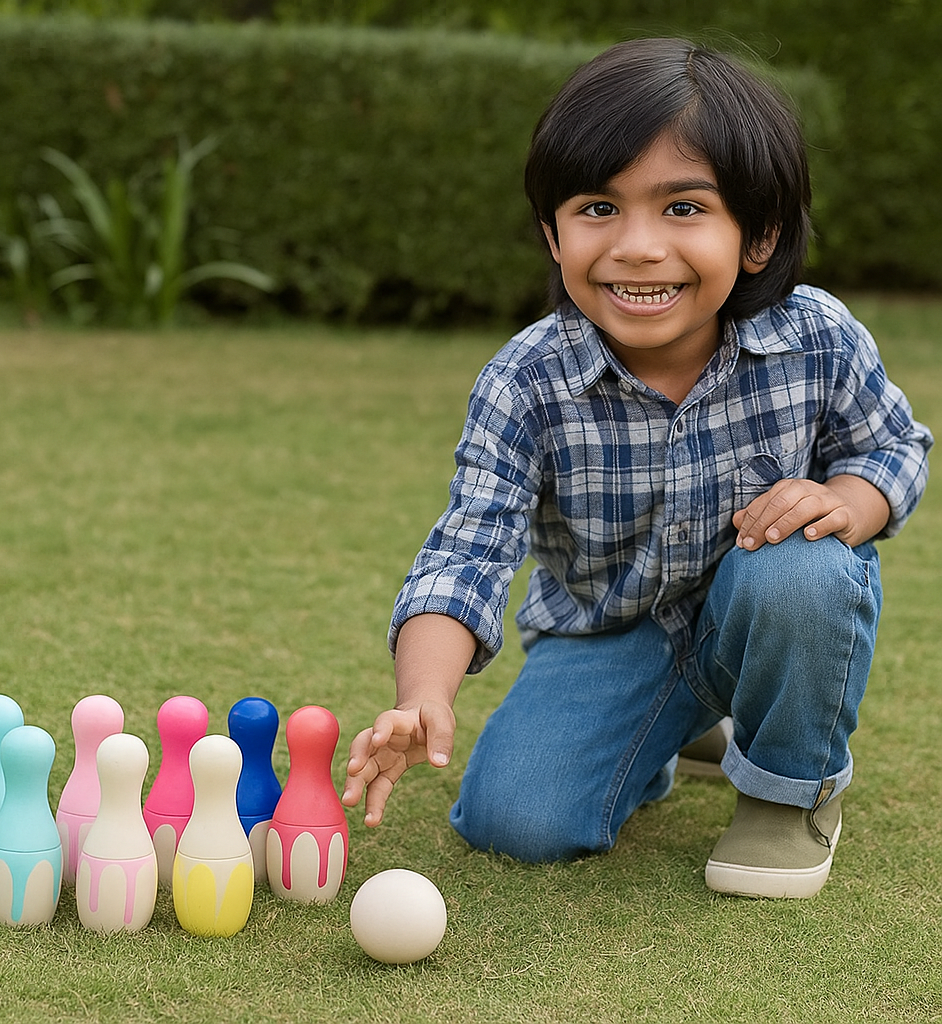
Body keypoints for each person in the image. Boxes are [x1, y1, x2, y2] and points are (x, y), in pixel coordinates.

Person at [341, 37, 933, 898]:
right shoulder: (525, 382)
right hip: (609, 635)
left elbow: (895, 447)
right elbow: (468, 552)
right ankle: (677, 726)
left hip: (765, 597)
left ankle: (785, 793)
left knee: (807, 573)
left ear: (759, 234)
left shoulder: (818, 337)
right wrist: (422, 694)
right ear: (553, 235)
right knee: (515, 823)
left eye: (684, 208)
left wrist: (849, 496)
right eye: (597, 208)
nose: (638, 247)